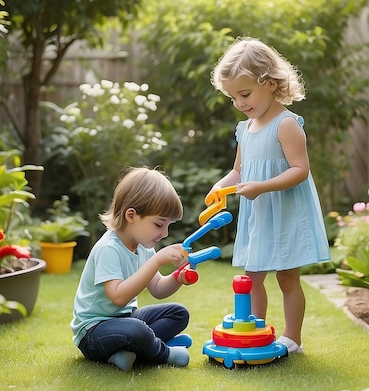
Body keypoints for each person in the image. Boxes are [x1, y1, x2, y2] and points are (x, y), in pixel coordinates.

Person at [208, 36, 330, 354]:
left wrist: (261, 186)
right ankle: (255, 331)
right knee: (252, 279)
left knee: (287, 279)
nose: (240, 102)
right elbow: (239, 171)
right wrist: (221, 185)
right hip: (259, 216)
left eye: (245, 94)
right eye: (233, 97)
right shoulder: (244, 129)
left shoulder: (286, 124)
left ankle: (293, 338)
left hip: (285, 211)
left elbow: (299, 170)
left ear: (271, 83)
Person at [71, 167, 194, 372]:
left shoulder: (143, 246)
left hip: (126, 319)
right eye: (159, 224)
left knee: (179, 313)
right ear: (131, 216)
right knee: (137, 330)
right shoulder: (108, 248)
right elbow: (118, 297)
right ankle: (163, 352)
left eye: (168, 225)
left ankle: (131, 353)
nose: (165, 233)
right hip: (94, 332)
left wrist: (177, 278)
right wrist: (156, 262)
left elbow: (157, 288)